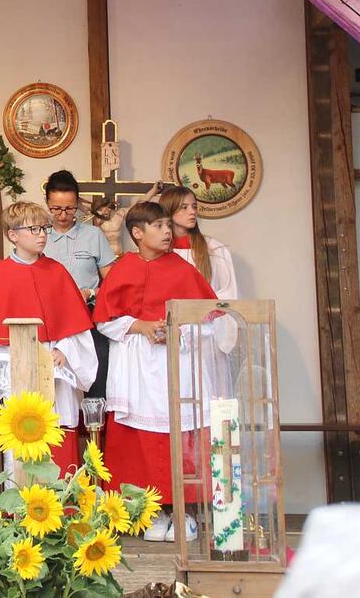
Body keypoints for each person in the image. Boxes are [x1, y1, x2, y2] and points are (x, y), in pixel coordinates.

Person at [93, 201, 216, 543]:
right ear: (137, 233)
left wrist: (176, 329)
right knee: (139, 441)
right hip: (137, 368)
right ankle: (149, 511)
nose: (166, 232)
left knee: (181, 435)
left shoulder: (182, 269)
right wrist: (141, 326)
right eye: (159, 226)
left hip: (175, 365)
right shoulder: (122, 269)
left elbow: (209, 320)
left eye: (167, 226)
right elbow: (105, 321)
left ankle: (184, 510)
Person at [0, 201, 96, 472]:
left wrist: (65, 351)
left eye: (44, 227)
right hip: (14, 367)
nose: (42, 234)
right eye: (33, 228)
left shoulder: (57, 272)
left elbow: (75, 326)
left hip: (54, 366)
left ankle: (63, 505)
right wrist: (13, 358)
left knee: (58, 432)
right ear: (13, 235)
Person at [42, 170, 117, 398]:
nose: (63, 215)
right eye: (56, 208)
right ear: (47, 202)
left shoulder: (93, 235)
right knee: (52, 380)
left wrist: (92, 292)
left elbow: (114, 282)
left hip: (88, 316)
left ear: (78, 204)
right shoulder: (39, 236)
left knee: (97, 372)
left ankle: (96, 429)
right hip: (50, 319)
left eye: (70, 208)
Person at [158, 186, 238, 299]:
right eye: (184, 207)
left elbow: (228, 293)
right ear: (169, 210)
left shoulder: (214, 248)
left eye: (194, 206)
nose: (192, 211)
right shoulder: (155, 249)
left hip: (206, 315)